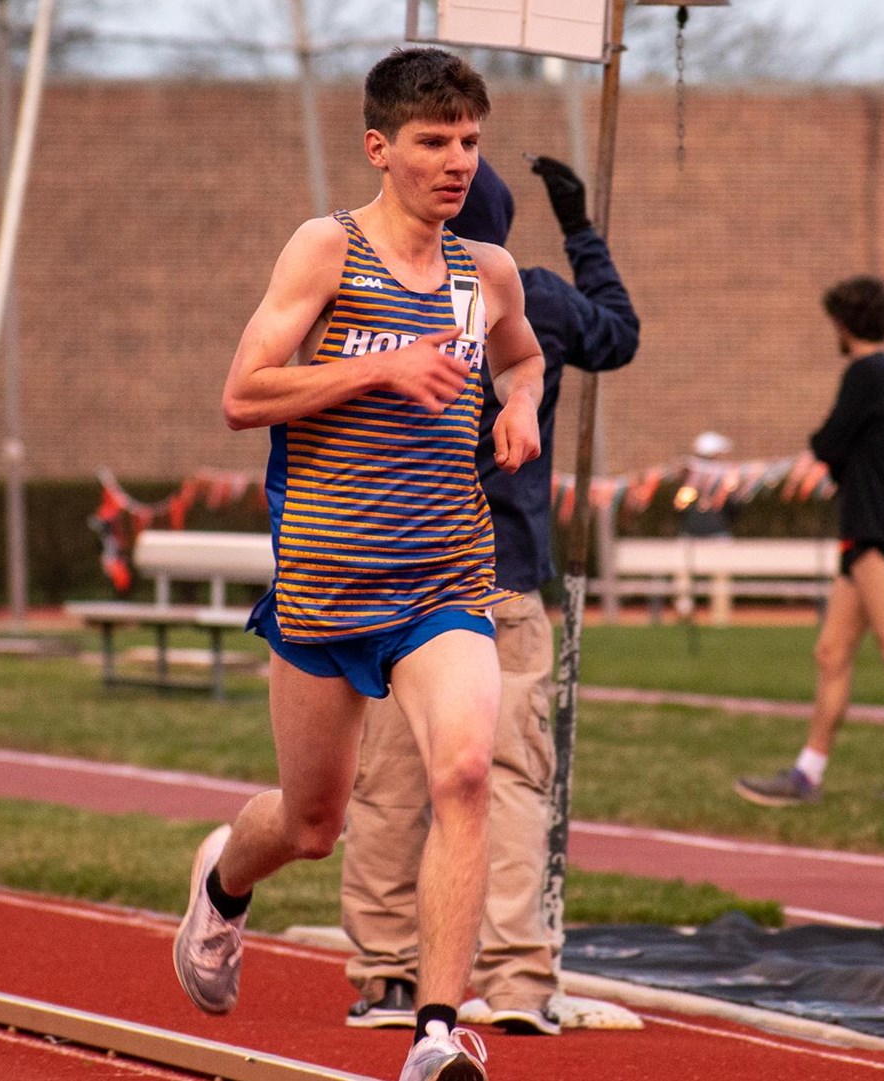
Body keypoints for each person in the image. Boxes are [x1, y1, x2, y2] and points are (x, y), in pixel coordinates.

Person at [174, 48, 545, 1081]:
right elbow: (244, 395)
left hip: (444, 582)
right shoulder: (325, 252)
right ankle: (222, 880)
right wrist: (380, 363)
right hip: (326, 590)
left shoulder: (487, 275)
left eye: (469, 142)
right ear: (380, 149)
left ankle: (435, 1033)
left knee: (465, 772)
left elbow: (523, 353)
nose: (456, 161)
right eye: (433, 142)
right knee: (311, 822)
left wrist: (516, 403)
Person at [340, 155, 639, 1038]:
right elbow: (618, 334)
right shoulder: (531, 295)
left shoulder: (379, 288)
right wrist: (582, 228)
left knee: (391, 780)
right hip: (500, 571)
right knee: (506, 778)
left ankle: (388, 975)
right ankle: (514, 978)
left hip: (393, 572)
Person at [734, 276, 884, 806]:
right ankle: (807, 775)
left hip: (875, 530)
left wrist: (828, 448)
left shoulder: (867, 373)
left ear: (843, 323)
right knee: (832, 652)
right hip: (866, 529)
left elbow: (827, 441)